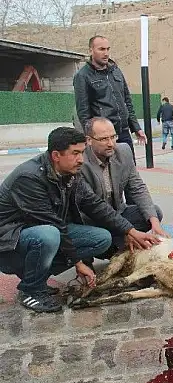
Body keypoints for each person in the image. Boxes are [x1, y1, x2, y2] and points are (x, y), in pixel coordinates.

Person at [0, 127, 160, 313]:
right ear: (56, 155)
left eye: (82, 152)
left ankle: (36, 277)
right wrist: (78, 263)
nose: (81, 159)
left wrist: (130, 231)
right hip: (9, 243)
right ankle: (31, 290)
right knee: (49, 234)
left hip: (44, 232)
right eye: (75, 153)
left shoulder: (70, 173)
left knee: (101, 238)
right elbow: (53, 223)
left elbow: (95, 205)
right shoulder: (29, 178)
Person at [81, 117, 167, 254]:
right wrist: (128, 231)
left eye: (113, 137)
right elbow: (94, 207)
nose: (111, 144)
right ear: (89, 140)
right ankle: (111, 247)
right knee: (102, 237)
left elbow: (137, 187)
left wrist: (155, 223)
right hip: (93, 219)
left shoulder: (123, 151)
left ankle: (118, 244)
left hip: (118, 212)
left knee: (154, 213)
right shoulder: (80, 161)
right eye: (104, 139)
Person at [73, 35, 146, 159]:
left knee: (128, 167)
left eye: (108, 49)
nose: (106, 53)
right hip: (102, 136)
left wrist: (136, 127)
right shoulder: (83, 76)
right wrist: (91, 136)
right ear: (91, 50)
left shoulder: (116, 71)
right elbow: (83, 111)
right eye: (101, 49)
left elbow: (127, 101)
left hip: (123, 132)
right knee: (106, 169)